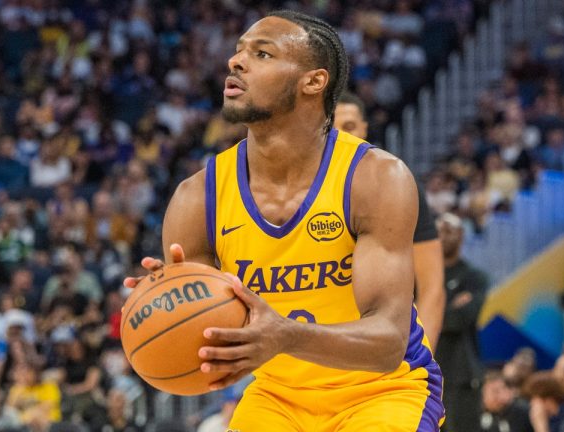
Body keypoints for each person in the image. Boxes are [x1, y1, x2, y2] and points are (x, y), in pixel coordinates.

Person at [123, 10, 444, 432]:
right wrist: (165, 298)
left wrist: (286, 336)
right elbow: (205, 345)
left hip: (383, 391)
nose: (235, 62)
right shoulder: (196, 199)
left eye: (262, 53)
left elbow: (387, 343)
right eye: (237, 52)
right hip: (277, 398)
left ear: (314, 81)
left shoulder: (374, 178)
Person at [334, 91, 445, 350]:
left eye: (349, 126)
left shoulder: (396, 184)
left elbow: (431, 286)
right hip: (320, 351)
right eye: (331, 126)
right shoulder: (298, 190)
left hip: (387, 351)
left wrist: (421, 357)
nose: (341, 136)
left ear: (364, 129)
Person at [434, 212, 488, 432]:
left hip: (462, 374)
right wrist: (451, 306)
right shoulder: (421, 276)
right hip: (426, 371)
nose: (443, 237)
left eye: (449, 230)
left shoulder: (474, 277)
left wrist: (432, 308)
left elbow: (460, 320)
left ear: (461, 234)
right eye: (438, 231)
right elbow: (413, 317)